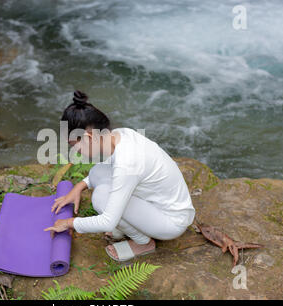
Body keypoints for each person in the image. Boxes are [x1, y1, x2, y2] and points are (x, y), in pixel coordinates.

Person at [44, 90, 196, 261]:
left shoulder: (127, 163)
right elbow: (103, 171)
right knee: (99, 171)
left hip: (171, 221)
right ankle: (132, 226)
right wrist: (79, 187)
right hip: (159, 202)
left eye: (74, 145)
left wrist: (68, 223)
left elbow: (107, 221)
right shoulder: (120, 134)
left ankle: (143, 242)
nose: (75, 151)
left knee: (101, 198)